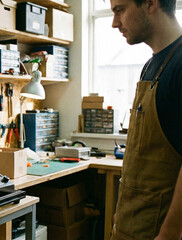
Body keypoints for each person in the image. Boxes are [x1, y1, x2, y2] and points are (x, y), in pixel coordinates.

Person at [110, 0, 182, 239]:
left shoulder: (180, 65)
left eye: (120, 10)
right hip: (133, 223)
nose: (114, 23)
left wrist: (171, 231)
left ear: (151, 3)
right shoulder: (151, 66)